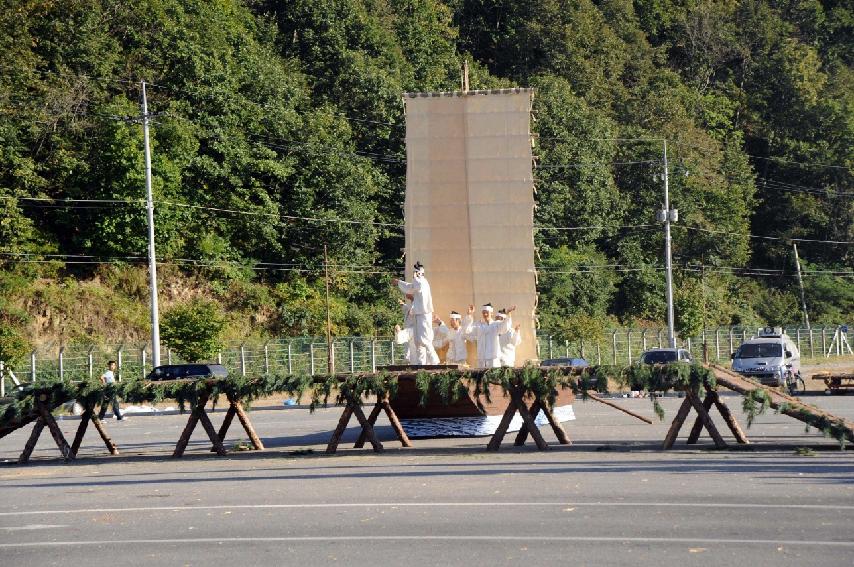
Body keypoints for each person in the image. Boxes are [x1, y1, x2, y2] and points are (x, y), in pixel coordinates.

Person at [392, 262, 439, 365]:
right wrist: (399, 282)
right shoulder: (418, 283)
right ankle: (421, 363)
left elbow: (414, 287)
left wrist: (403, 281)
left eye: (415, 272)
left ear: (419, 273)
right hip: (418, 314)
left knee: (425, 339)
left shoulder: (422, 282)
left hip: (424, 314)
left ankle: (435, 361)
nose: (414, 274)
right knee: (418, 341)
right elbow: (411, 287)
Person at [464, 303, 515, 368]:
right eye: (483, 313)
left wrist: (508, 313)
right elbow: (467, 330)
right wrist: (469, 315)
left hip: (493, 359)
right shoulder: (478, 325)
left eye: (487, 312)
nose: (485, 314)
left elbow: (505, 327)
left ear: (491, 313)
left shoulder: (496, 324)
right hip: (481, 359)